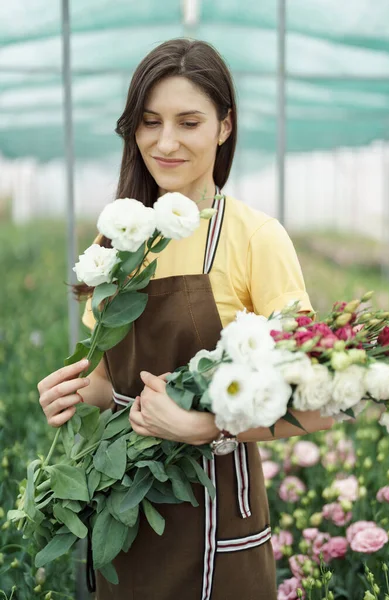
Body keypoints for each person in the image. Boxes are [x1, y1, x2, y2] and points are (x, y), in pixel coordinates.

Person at [37, 38, 334, 600]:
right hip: (124, 510)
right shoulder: (118, 240)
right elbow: (113, 379)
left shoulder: (255, 239)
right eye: (150, 122)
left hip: (218, 511)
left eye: (188, 122)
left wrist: (210, 426)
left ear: (224, 127)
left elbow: (318, 403)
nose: (164, 142)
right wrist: (80, 390)